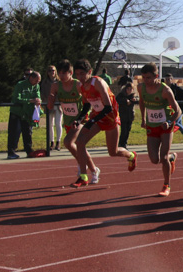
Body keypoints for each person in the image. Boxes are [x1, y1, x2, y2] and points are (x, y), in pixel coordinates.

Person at [71, 59, 136, 187]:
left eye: (82, 74)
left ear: (89, 72)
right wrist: (78, 119)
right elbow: (86, 105)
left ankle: (131, 155)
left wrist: (90, 122)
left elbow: (108, 108)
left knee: (113, 152)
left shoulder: (98, 83)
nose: (79, 77)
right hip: (97, 117)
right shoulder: (80, 86)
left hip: (110, 117)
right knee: (79, 142)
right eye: (77, 74)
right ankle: (83, 176)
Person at [48, 59, 98, 182]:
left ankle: (83, 167)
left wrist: (81, 118)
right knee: (80, 147)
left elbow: (87, 104)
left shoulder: (77, 85)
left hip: (81, 120)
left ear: (71, 73)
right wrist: (51, 97)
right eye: (59, 73)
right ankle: (93, 170)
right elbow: (49, 107)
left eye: (64, 73)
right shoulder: (55, 86)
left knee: (68, 142)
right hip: (68, 121)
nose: (61, 76)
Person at [138, 63, 181, 196]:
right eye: (144, 77)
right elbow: (141, 102)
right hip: (152, 126)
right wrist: (143, 119)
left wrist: (169, 122)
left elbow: (178, 110)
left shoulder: (165, 90)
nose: (146, 80)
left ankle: (166, 185)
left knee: (162, 158)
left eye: (149, 78)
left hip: (165, 127)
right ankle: (172, 157)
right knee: (154, 159)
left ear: (156, 76)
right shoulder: (141, 87)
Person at [7, 70, 41, 159]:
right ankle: (11, 152)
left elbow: (37, 96)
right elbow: (17, 98)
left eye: (39, 81)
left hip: (27, 113)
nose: (37, 83)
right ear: (31, 77)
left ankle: (29, 151)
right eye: (36, 80)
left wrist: (38, 100)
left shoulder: (36, 86)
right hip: (17, 112)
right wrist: (29, 101)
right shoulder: (20, 84)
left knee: (28, 132)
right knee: (14, 132)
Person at [164, 73, 183, 145]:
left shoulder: (175, 88)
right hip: (172, 109)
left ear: (172, 79)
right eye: (166, 79)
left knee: (175, 123)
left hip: (179, 109)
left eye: (169, 79)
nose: (168, 81)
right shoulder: (165, 88)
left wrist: (180, 101)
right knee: (179, 124)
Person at [39, 65, 62, 150]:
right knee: (50, 124)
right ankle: (51, 142)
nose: (51, 72)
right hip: (49, 105)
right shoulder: (45, 82)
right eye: (49, 71)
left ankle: (58, 142)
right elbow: (42, 93)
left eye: (53, 70)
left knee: (58, 123)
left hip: (58, 106)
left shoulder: (60, 82)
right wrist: (46, 102)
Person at [117, 82, 136, 149]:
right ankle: (121, 143)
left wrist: (134, 100)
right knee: (124, 130)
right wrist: (126, 101)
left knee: (128, 130)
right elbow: (117, 100)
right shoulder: (121, 95)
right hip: (123, 115)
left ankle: (124, 143)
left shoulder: (133, 96)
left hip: (130, 116)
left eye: (131, 89)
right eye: (128, 89)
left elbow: (139, 101)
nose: (129, 90)